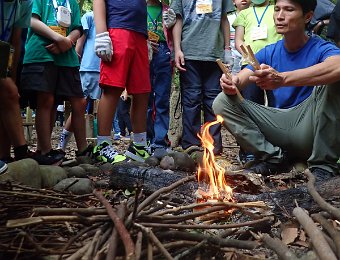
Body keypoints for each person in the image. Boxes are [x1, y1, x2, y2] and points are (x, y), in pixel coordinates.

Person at [213, 0, 340, 182]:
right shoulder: (269, 51)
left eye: (289, 10)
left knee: (334, 81)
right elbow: (241, 78)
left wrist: (283, 79)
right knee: (222, 101)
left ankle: (323, 166)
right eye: (277, 9)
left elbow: (337, 65)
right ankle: (274, 158)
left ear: (308, 17)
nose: (280, 16)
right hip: (277, 125)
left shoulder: (321, 47)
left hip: (310, 127)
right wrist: (231, 82)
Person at [21, 0, 89, 164]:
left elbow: (77, 28)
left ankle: (83, 150)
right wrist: (58, 38)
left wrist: (68, 42)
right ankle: (45, 151)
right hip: (42, 52)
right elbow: (32, 20)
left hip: (67, 57)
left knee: (79, 102)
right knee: (46, 100)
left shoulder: (71, 2)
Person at [170, 0, 234, 155]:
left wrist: (227, 49)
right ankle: (191, 145)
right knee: (191, 99)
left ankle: (213, 146)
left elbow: (224, 19)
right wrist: (177, 49)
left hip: (214, 54)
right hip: (189, 51)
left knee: (213, 101)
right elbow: (177, 19)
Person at [92, 0, 151, 163]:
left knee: (142, 91)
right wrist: (101, 33)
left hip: (139, 34)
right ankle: (102, 146)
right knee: (112, 88)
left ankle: (139, 145)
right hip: (118, 28)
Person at [58, 11, 101, 152]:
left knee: (98, 106)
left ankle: (102, 145)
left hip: (105, 68)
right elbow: (80, 43)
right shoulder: (89, 16)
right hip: (88, 67)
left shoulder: (114, 16)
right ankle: (62, 145)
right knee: (80, 106)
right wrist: (76, 65)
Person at [0, 0, 33, 171]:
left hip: (3, 51)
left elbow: (15, 42)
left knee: (10, 93)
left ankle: (20, 156)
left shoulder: (24, 3)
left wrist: (10, 76)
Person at [146, 0, 175, 153]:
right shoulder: (139, 8)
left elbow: (174, 35)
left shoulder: (167, 10)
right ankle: (145, 139)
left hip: (164, 52)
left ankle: (160, 141)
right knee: (145, 99)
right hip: (144, 52)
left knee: (162, 98)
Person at [228, 0, 251, 75]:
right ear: (233, 1)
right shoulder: (228, 19)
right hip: (233, 59)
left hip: (251, 58)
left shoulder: (255, 16)